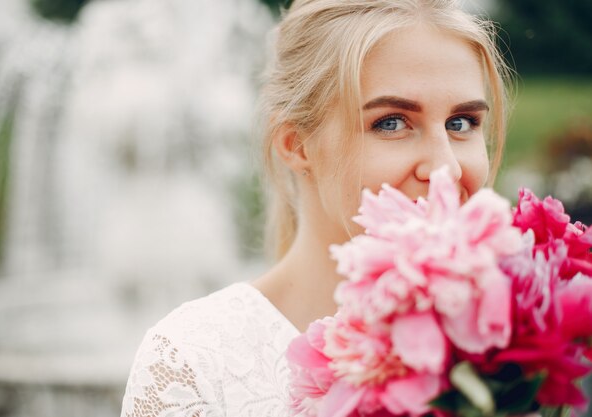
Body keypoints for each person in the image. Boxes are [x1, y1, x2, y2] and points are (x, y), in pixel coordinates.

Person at [119, 0, 512, 416]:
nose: (445, 168)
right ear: (296, 144)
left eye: (461, 123)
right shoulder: (193, 365)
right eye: (391, 122)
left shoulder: (510, 334)